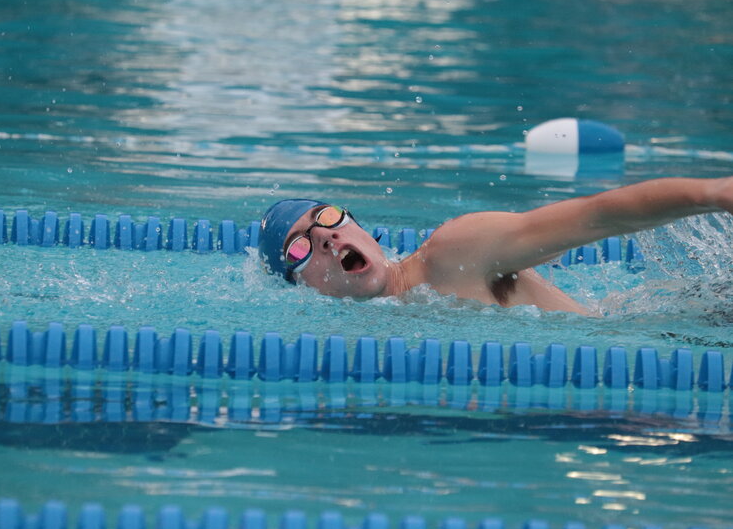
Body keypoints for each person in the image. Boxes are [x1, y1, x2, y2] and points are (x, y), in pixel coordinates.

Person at [257, 177, 733, 314]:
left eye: (327, 218)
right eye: (298, 247)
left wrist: (716, 194)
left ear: (362, 230)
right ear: (303, 287)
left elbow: (599, 214)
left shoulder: (454, 253)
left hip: (681, 329)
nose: (324, 235)